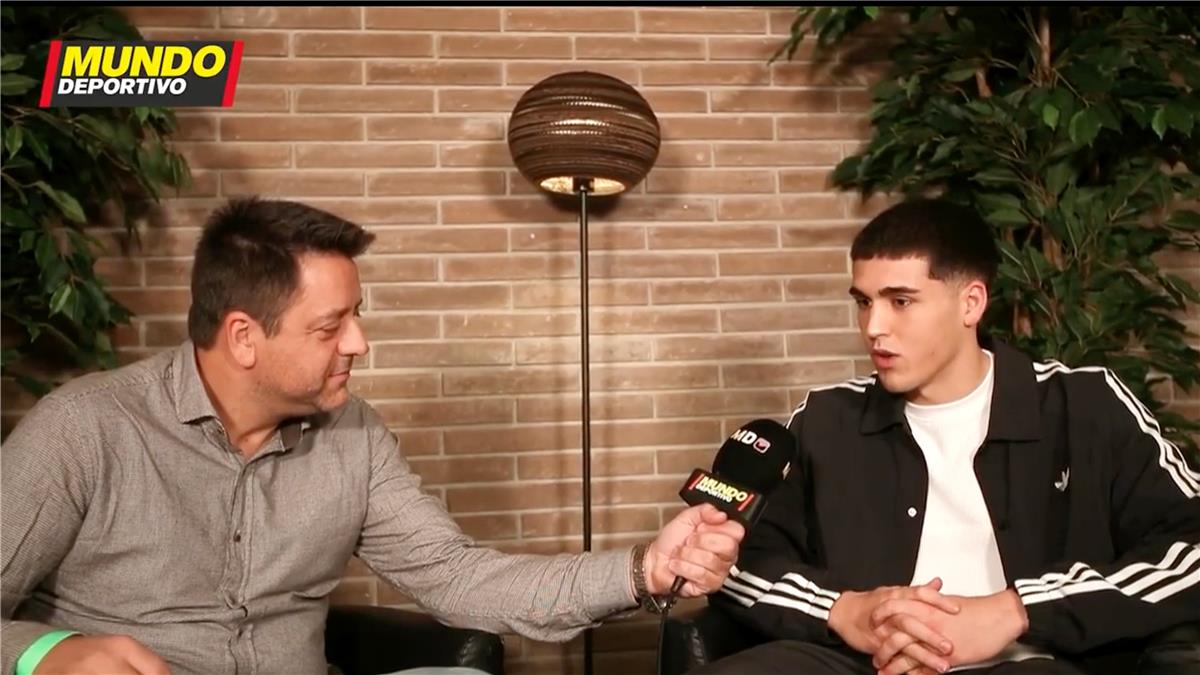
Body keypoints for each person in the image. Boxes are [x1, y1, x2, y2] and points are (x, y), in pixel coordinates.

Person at [0, 197, 746, 675]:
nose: (358, 342)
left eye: (355, 316)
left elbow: (457, 578)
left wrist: (645, 569)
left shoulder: (353, 434)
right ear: (244, 336)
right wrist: (48, 653)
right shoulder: (85, 429)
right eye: (330, 326)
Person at [695, 199, 1200, 674]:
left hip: (1029, 662)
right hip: (862, 663)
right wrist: (842, 609)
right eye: (864, 302)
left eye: (901, 301)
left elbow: (1191, 545)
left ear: (971, 303)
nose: (873, 327)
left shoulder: (1083, 406)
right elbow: (732, 560)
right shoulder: (826, 419)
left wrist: (1018, 610)